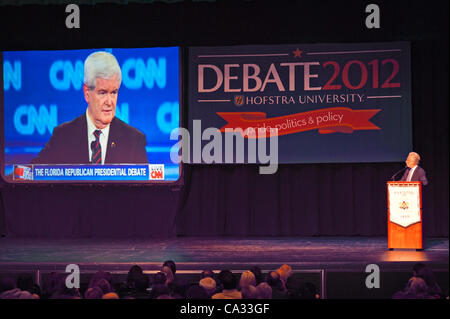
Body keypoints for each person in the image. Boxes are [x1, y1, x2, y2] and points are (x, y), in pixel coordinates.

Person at [31, 51, 148, 165]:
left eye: (114, 92)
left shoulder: (134, 141)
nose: (109, 102)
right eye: (102, 93)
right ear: (87, 93)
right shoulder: (63, 136)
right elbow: (31, 175)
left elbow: (145, 183)